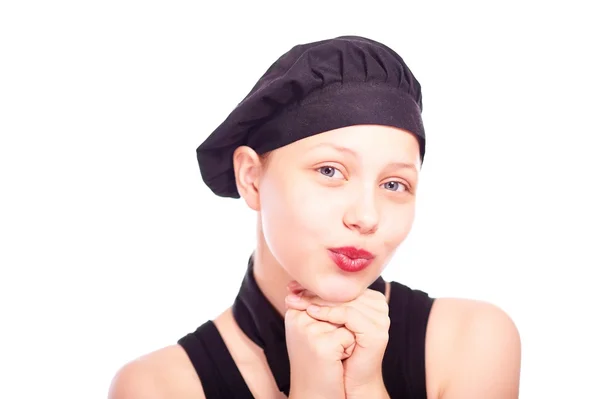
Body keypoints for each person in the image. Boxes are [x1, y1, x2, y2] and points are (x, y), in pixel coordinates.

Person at [109, 35, 521, 399]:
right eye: (330, 171)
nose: (366, 216)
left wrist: (365, 389)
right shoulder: (156, 387)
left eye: (394, 184)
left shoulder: (474, 342)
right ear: (252, 178)